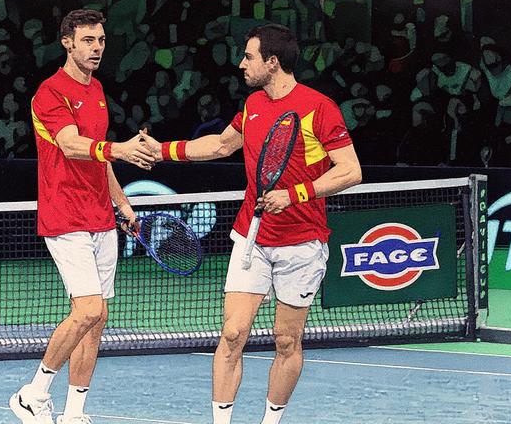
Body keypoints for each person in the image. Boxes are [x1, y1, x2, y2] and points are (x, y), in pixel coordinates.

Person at [141, 24, 362, 424]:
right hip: (252, 237)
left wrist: (295, 194)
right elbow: (223, 144)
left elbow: (350, 171)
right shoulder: (255, 105)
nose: (241, 63)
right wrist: (163, 150)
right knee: (231, 334)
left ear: (272, 62)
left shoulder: (318, 107)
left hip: (302, 241)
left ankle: (270, 420)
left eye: (248, 56)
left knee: (286, 340)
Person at [10, 9, 155, 424]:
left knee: (96, 320)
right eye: (88, 40)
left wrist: (122, 204)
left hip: (100, 217)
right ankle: (33, 394)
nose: (96, 48)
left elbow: (98, 158)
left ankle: (74, 413)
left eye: (102, 40)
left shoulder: (96, 91)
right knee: (88, 309)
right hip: (65, 215)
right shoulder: (50, 93)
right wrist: (121, 149)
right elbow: (73, 145)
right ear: (67, 43)